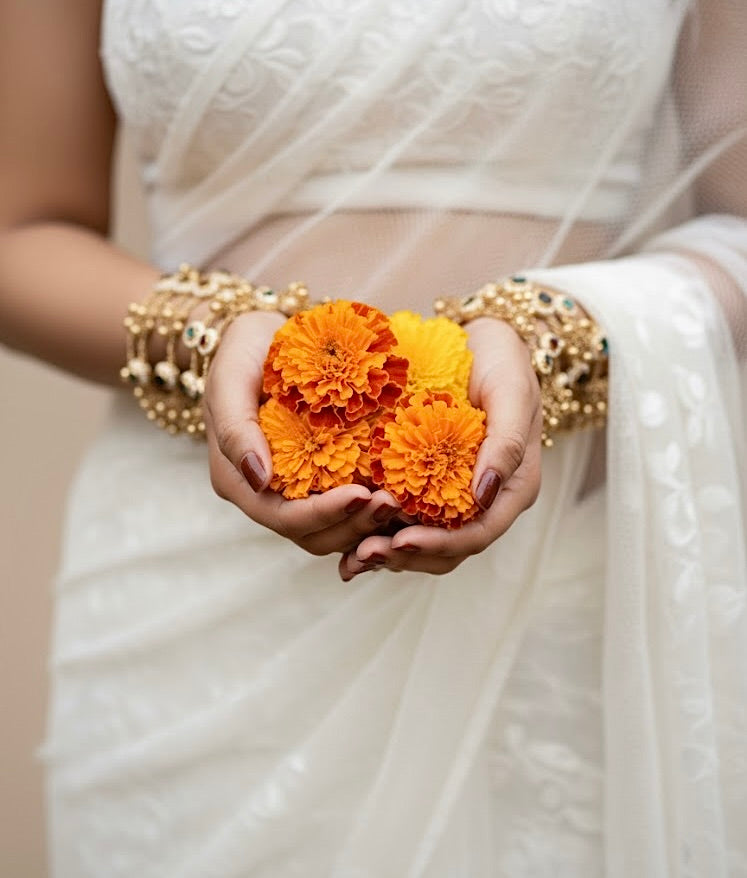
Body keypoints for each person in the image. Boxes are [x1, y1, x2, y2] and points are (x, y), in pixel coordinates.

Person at [1, 1, 745, 875]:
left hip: (556, 585)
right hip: (196, 609)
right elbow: (23, 232)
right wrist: (210, 341)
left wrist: (554, 339)